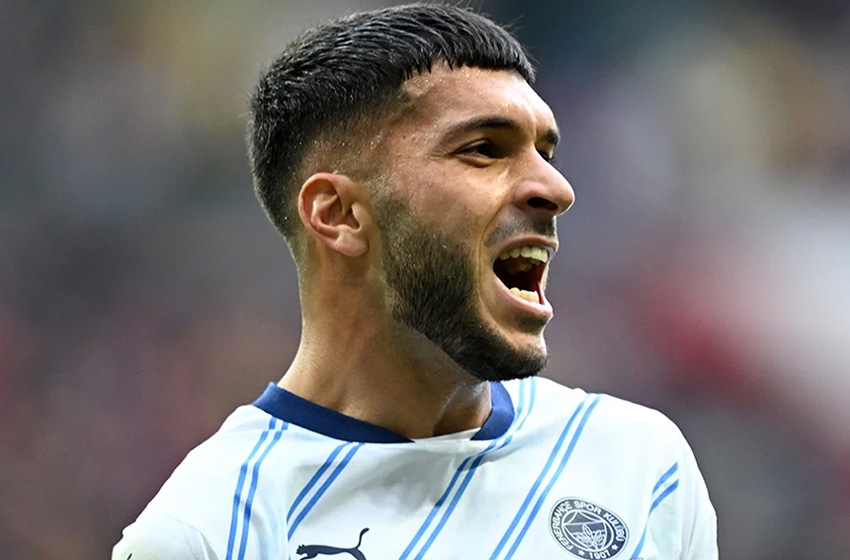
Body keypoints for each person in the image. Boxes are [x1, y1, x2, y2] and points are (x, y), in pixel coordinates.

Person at [113, 4, 717, 559]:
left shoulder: (639, 467)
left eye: (546, 154)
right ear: (339, 215)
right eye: (484, 149)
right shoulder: (206, 533)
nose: (558, 190)